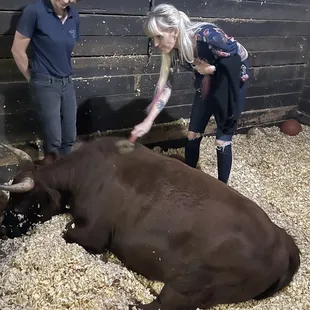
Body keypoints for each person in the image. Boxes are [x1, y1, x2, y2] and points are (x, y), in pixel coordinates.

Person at [130, 3, 249, 184]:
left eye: (158, 37)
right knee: (192, 134)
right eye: (152, 38)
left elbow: (241, 55)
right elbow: (165, 86)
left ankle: (223, 187)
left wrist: (213, 68)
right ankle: (189, 180)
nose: (155, 44)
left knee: (222, 141)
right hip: (206, 80)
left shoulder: (208, 36)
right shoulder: (173, 51)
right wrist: (148, 121)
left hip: (230, 82)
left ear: (174, 32)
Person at [11, 0, 80, 157]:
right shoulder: (35, 11)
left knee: (69, 137)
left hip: (67, 82)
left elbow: (66, 49)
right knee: (54, 140)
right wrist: (33, 79)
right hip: (45, 82)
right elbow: (17, 49)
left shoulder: (74, 16)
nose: (69, 0)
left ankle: (65, 173)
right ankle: (53, 176)